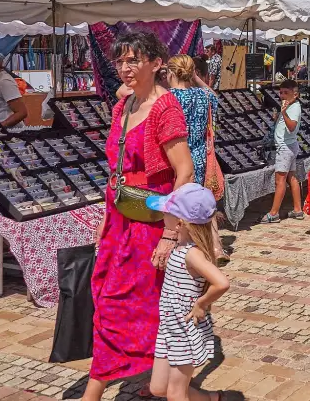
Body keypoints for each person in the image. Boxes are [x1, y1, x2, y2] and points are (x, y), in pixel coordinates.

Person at [85, 32, 195, 401]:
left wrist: (170, 232)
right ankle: (156, 381)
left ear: (156, 63)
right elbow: (114, 168)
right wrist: (106, 215)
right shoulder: (124, 106)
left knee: (137, 304)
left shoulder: (166, 108)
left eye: (134, 60)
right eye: (120, 61)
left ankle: (98, 389)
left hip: (153, 222)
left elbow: (184, 172)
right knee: (108, 297)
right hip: (121, 219)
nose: (125, 68)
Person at [146, 184, 230, 401]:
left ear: (180, 223)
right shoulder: (180, 247)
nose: (163, 214)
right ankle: (211, 398)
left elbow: (221, 283)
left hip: (184, 330)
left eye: (166, 211)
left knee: (175, 394)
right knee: (158, 388)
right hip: (169, 328)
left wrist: (201, 304)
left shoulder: (192, 253)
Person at [166, 55, 226, 262]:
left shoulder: (167, 97)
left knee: (178, 204)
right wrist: (197, 79)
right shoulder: (203, 96)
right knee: (202, 201)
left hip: (175, 156)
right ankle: (216, 247)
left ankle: (184, 248)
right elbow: (213, 96)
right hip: (200, 155)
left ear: (171, 73)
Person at [261, 79, 305, 224]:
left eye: (286, 93)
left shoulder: (293, 108)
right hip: (289, 145)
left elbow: (292, 126)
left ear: (295, 94)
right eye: (281, 93)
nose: (282, 96)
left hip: (285, 147)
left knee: (279, 180)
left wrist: (284, 113)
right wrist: (278, 117)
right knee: (292, 178)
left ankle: (274, 213)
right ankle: (298, 209)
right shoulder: (290, 106)